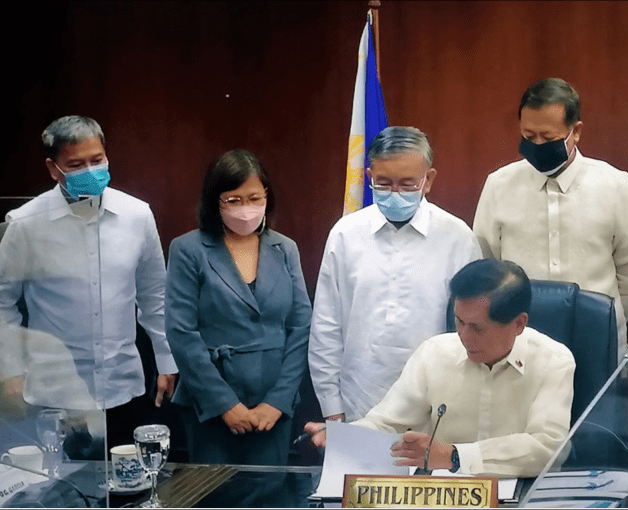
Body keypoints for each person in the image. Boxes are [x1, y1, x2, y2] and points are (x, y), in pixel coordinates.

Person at [0, 115, 177, 451]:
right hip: (55, 394)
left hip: (124, 385)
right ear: (54, 169)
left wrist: (166, 360)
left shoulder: (137, 214)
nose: (90, 171)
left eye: (97, 160)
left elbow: (155, 296)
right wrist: (10, 372)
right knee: (63, 498)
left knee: (129, 491)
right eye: (76, 164)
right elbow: (2, 301)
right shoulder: (25, 224)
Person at [305, 259, 575, 478]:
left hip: (522, 498)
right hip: (442, 498)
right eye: (459, 322)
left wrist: (454, 456)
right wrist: (346, 437)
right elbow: (387, 423)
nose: (465, 337)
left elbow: (547, 447)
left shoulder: (554, 361)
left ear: (518, 324)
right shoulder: (434, 353)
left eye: (478, 328)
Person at [309, 126, 481, 423]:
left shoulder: (457, 237)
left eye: (407, 184)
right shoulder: (346, 234)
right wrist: (331, 406)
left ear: (428, 180)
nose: (395, 193)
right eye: (384, 183)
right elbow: (326, 325)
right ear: (368, 178)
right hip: (358, 400)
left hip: (435, 405)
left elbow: (472, 326)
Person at [473, 78, 628, 352]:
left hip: (595, 339)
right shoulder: (499, 185)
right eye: (529, 137)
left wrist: (600, 316)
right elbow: (488, 262)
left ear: (575, 131)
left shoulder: (615, 184)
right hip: (521, 340)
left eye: (549, 138)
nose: (538, 145)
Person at [165, 149, 311, 468]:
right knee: (213, 496)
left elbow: (301, 329)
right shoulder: (188, 249)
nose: (246, 209)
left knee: (272, 494)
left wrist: (277, 402)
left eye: (254, 198)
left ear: (266, 197)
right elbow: (181, 332)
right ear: (215, 200)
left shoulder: (285, 249)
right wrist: (224, 404)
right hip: (210, 404)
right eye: (234, 200)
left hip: (274, 405)